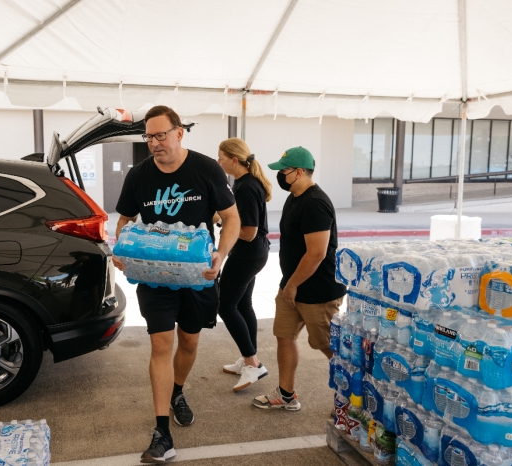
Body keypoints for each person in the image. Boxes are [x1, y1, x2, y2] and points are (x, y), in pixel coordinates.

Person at [113, 105, 240, 464]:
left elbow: (231, 218)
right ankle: (161, 432)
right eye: (148, 137)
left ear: (179, 132)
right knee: (160, 344)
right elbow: (125, 218)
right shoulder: (138, 176)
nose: (154, 143)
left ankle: (178, 391)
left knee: (188, 340)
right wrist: (121, 249)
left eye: (161, 135)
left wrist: (222, 255)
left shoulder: (206, 169)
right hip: (155, 277)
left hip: (197, 274)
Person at [251, 147, 346, 411]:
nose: (280, 176)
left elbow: (316, 254)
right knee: (284, 336)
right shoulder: (295, 197)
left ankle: (354, 401)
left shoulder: (315, 202)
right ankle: (286, 394)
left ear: (299, 172)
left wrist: (292, 285)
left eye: (284, 171)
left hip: (319, 291)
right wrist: (288, 285)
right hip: (291, 286)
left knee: (328, 347)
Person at [215, 138, 273, 391]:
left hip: (248, 254)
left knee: (225, 306)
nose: (219, 162)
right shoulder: (242, 182)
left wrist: (223, 225)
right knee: (242, 304)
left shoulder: (247, 186)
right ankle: (250, 358)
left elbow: (248, 231)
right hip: (254, 253)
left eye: (221, 157)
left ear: (234, 160)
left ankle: (253, 363)